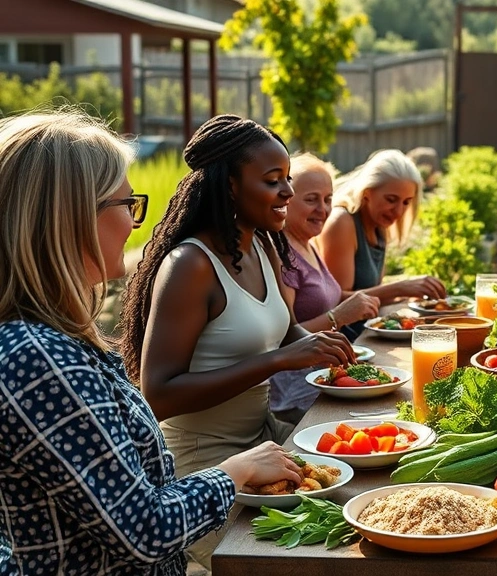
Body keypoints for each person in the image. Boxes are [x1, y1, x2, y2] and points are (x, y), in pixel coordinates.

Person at [0, 110, 302, 575]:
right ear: (70, 217)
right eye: (127, 205)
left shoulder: (58, 341)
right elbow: (144, 528)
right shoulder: (37, 359)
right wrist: (235, 471)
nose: (135, 223)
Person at [118, 114, 356, 568]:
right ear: (230, 186)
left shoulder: (262, 246)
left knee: (364, 500)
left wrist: (327, 350)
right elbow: (158, 394)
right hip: (202, 464)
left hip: (263, 443)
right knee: (304, 559)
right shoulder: (190, 265)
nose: (287, 191)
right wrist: (278, 361)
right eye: (273, 181)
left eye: (287, 178)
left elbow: (285, 330)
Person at [270, 153, 380, 425]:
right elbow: (284, 337)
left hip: (324, 378)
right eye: (311, 199)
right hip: (296, 395)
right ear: (287, 199)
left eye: (328, 199)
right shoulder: (281, 253)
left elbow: (330, 298)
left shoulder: (306, 243)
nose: (323, 209)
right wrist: (339, 317)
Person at [317, 149, 446, 306]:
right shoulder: (342, 222)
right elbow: (336, 302)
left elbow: (372, 296)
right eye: (391, 200)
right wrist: (400, 287)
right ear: (367, 192)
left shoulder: (378, 225)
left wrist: (411, 295)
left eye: (406, 202)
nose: (399, 211)